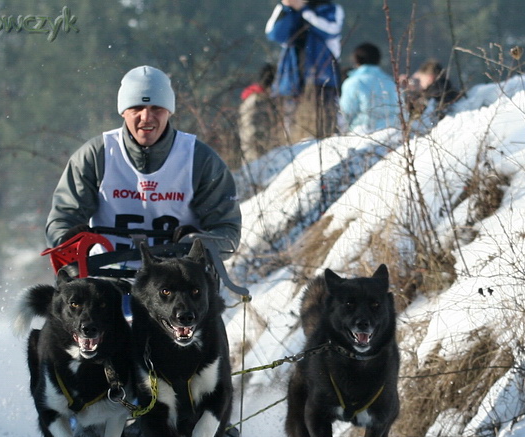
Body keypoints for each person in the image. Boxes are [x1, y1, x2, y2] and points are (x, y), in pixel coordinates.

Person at [45, 65, 241, 258]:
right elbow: (63, 219)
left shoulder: (199, 159)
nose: (146, 117)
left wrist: (195, 245)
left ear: (169, 111)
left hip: (178, 278)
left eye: (156, 108)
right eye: (137, 108)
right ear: (123, 111)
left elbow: (227, 232)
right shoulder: (96, 155)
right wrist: (70, 242)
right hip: (107, 275)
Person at [265, 0, 344, 141]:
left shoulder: (330, 8)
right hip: (291, 79)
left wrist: (305, 11)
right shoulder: (284, 8)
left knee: (326, 126)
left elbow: (331, 30)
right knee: (291, 129)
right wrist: (288, 9)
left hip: (323, 78)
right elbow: (274, 34)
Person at [338, 42, 400, 134]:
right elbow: (400, 110)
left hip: (363, 134)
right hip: (394, 133)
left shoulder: (353, 82)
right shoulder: (391, 82)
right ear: (378, 59)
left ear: (356, 60)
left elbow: (346, 113)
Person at [238, 63, 279, 162]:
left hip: (251, 139)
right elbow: (251, 124)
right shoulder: (257, 99)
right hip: (254, 141)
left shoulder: (253, 96)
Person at [400, 59, 460, 125]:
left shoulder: (435, 92)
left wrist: (409, 91)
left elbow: (419, 109)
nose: (419, 83)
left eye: (420, 79)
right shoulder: (448, 90)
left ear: (430, 78)